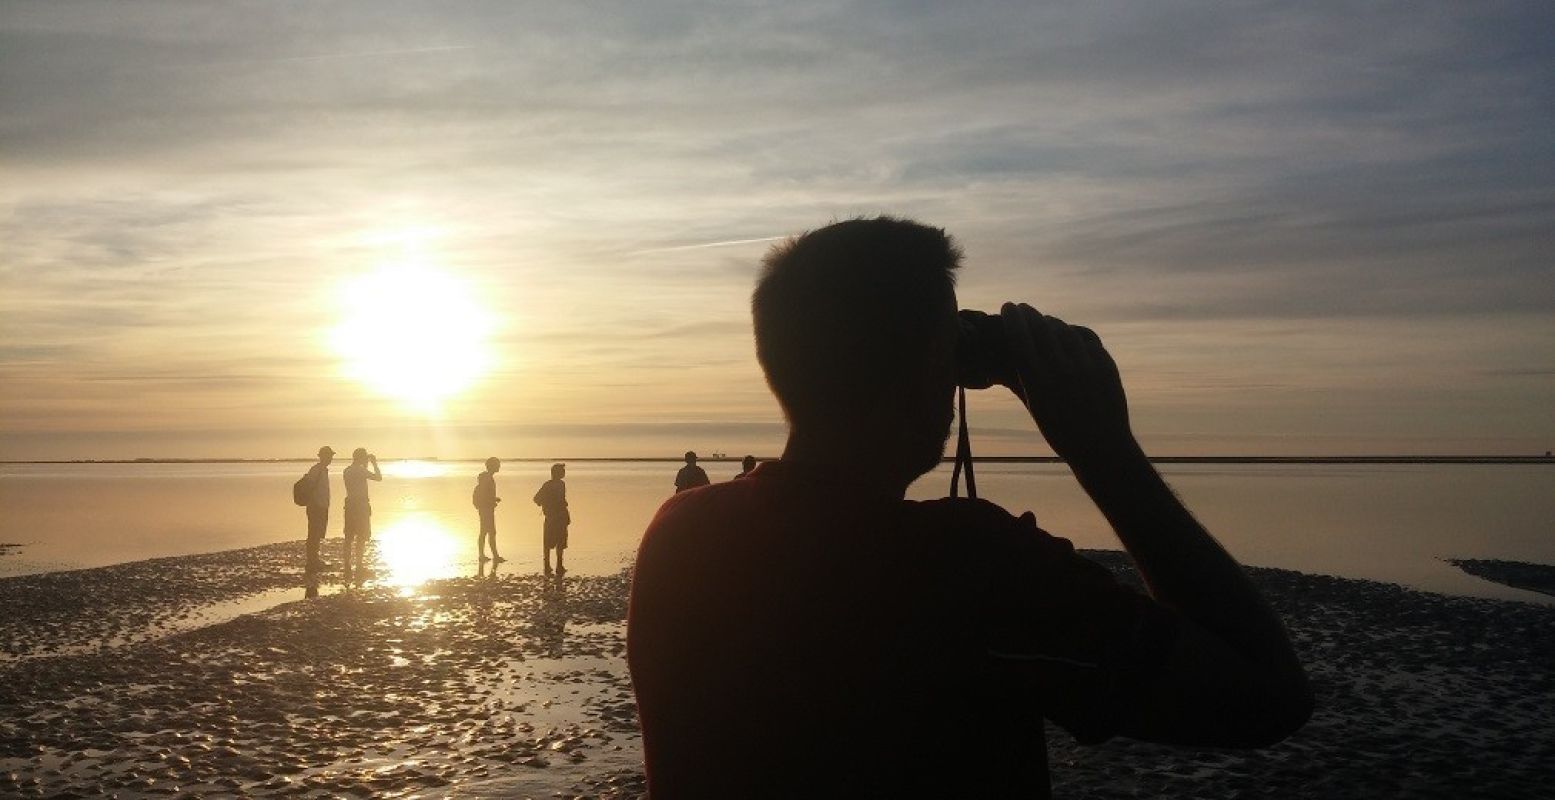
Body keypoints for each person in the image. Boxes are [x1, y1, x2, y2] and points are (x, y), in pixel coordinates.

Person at [628, 217, 1313, 797]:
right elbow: (1266, 697)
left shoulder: (682, 532)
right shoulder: (969, 563)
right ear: (933, 361)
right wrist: (1104, 453)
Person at [341, 447, 382, 587]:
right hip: (361, 506)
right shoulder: (360, 470)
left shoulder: (347, 470)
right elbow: (378, 477)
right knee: (361, 537)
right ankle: (358, 565)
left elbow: (360, 477)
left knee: (349, 536)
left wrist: (365, 463)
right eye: (364, 457)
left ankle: (347, 565)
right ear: (361, 458)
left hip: (350, 505)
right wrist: (374, 463)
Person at [301, 446, 334, 598]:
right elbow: (309, 487)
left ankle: (314, 559)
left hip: (321, 506)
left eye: (331, 456)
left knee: (318, 533)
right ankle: (311, 561)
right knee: (313, 533)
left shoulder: (323, 470)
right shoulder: (316, 470)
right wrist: (314, 503)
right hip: (315, 506)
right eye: (328, 456)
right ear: (322, 456)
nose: (331, 458)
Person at [533, 463, 569, 578]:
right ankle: (548, 565)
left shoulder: (561, 484)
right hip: (553, 517)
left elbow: (538, 500)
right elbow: (536, 499)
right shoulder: (549, 485)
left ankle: (559, 565)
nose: (564, 473)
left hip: (560, 516)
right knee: (549, 542)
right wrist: (547, 504)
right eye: (562, 471)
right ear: (557, 473)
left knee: (560, 541)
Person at [474, 457, 505, 564]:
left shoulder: (487, 478)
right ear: (492, 466)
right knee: (489, 532)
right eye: (497, 465)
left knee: (486, 532)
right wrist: (492, 500)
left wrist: (494, 499)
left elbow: (486, 494)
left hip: (486, 508)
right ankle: (492, 556)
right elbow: (484, 495)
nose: (499, 466)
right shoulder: (487, 478)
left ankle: (483, 555)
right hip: (486, 509)